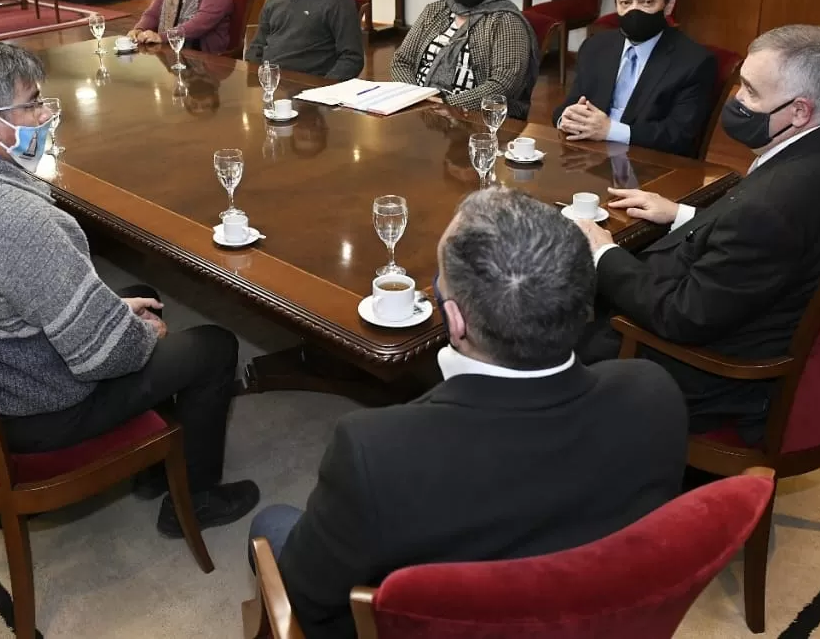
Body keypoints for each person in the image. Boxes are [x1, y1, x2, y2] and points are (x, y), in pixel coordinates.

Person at [249, 188, 688, 639]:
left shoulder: (374, 452)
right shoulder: (654, 393)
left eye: (439, 289)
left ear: (455, 321)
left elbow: (307, 600)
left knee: (270, 526)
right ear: (582, 302)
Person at [0, 41, 259, 537]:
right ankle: (193, 504)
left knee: (138, 292)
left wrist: (114, 311)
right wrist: (142, 333)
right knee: (213, 346)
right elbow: (103, 359)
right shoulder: (22, 222)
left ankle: (158, 465)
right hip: (40, 405)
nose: (45, 113)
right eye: (33, 102)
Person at [573, 25, 820, 443]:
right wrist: (682, 215)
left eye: (750, 91)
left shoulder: (772, 207)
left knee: (541, 323)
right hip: (771, 314)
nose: (736, 101)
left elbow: (681, 317)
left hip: (715, 373)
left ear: (800, 111)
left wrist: (602, 253)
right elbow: (776, 240)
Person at [553, 0, 717, 157]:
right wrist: (566, 118)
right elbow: (569, 106)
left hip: (650, 163)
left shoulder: (694, 62)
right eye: (625, 2)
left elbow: (680, 136)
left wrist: (610, 130)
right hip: (589, 157)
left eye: (647, 2)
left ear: (668, 5)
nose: (634, 11)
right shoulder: (595, 47)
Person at [390, 0, 539, 119]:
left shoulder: (505, 20)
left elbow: (503, 83)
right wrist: (417, 98)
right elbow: (402, 60)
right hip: (421, 112)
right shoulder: (434, 11)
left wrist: (448, 105)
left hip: (480, 119)